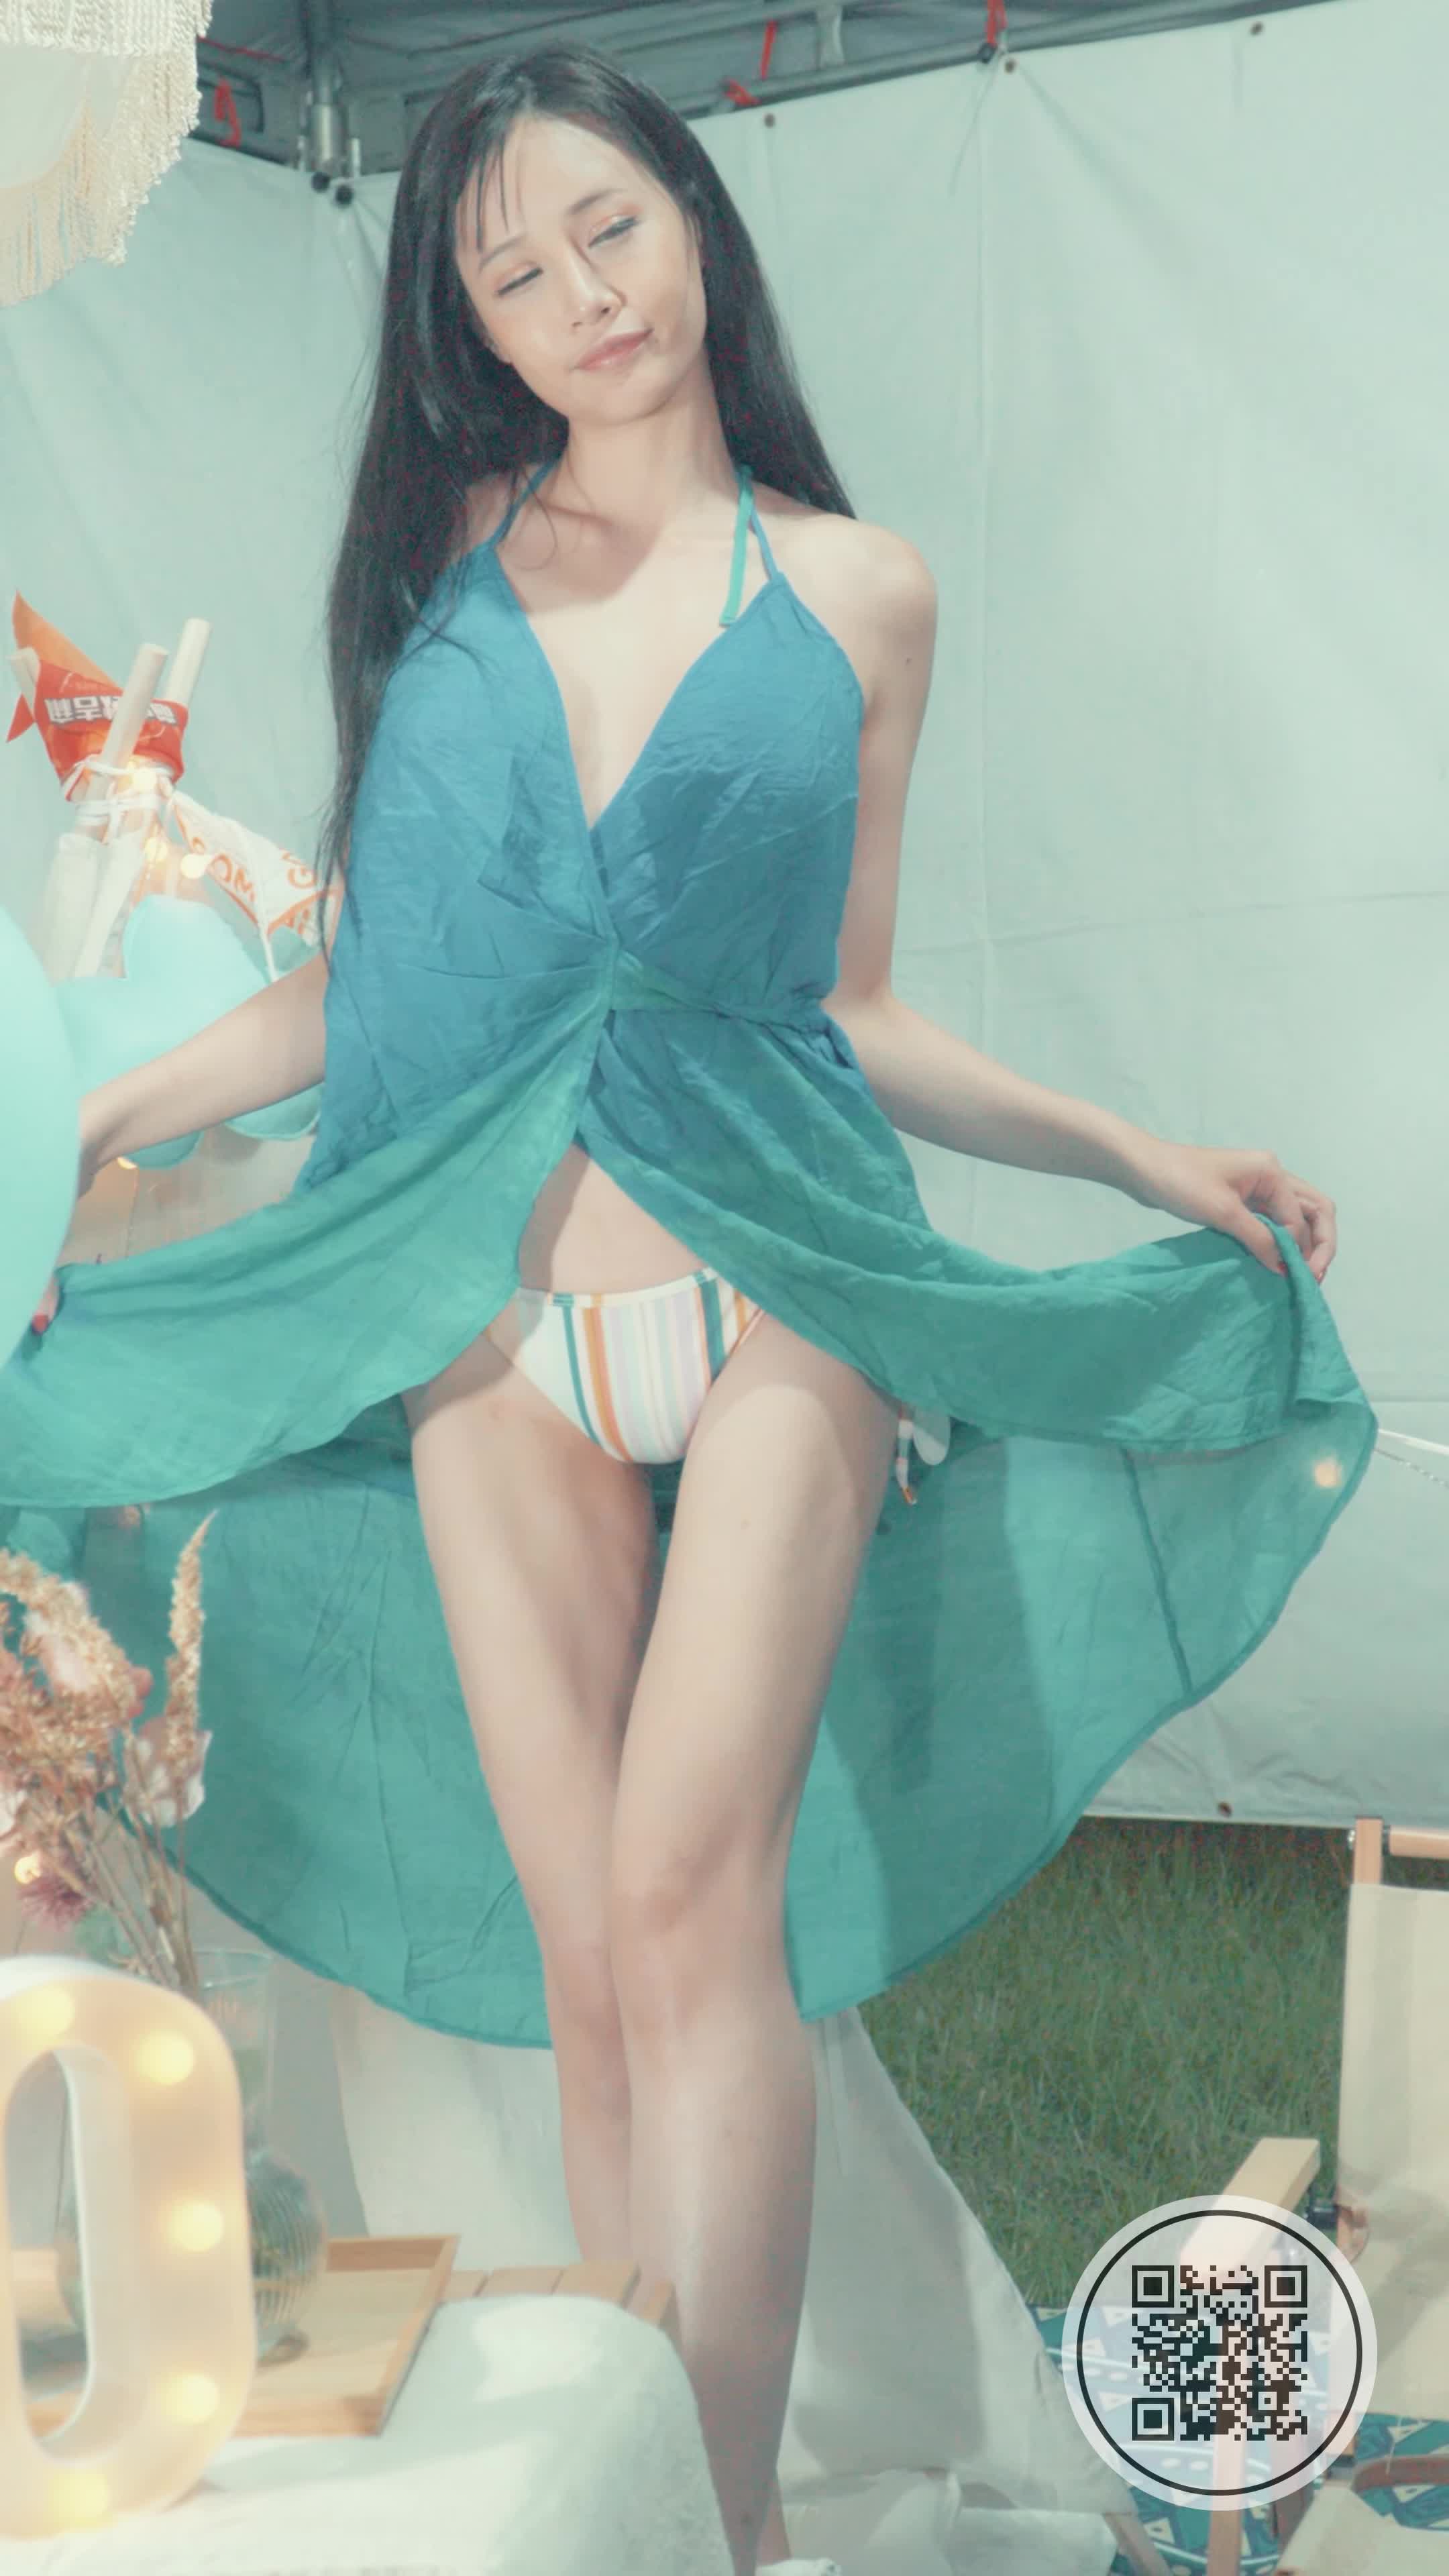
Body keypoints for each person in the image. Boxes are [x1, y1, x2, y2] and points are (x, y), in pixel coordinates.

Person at [0, 43, 1373, 2576]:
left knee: (685, 1904)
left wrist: (1138, 1152)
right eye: (511, 274)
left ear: (693, 221)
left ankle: (729, 2529)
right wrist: (91, 1119)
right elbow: (378, 986)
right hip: (486, 1321)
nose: (577, 301)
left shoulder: (858, 592)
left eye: (605, 230)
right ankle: (651, 2504)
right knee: (588, 1959)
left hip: (775, 1291)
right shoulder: (443, 570)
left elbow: (849, 1003)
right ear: (473, 326)